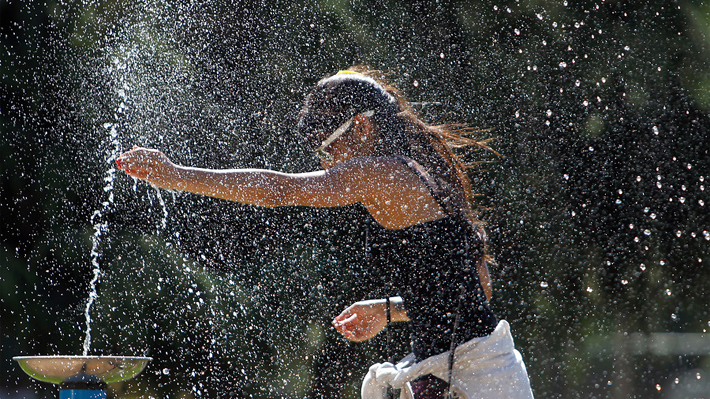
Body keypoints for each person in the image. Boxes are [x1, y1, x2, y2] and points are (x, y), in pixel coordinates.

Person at [116, 67, 533, 398]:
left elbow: (282, 190)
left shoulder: (384, 173)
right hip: (478, 369)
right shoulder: (420, 175)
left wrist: (179, 176)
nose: (328, 161)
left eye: (329, 146)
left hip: (474, 379)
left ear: (362, 127)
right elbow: (477, 288)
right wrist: (386, 310)